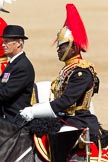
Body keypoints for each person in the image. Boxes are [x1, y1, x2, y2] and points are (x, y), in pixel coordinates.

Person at [20, 4, 108, 161]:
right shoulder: (67, 70)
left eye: (62, 46)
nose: (58, 50)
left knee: (60, 136)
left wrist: (35, 111)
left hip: (78, 120)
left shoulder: (82, 72)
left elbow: (65, 102)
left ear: (73, 47)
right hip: (64, 118)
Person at [0, 25, 35, 126]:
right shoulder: (13, 63)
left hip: (14, 122)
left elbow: (5, 93)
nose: (3, 45)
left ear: (19, 43)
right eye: (3, 41)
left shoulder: (22, 66)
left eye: (7, 41)